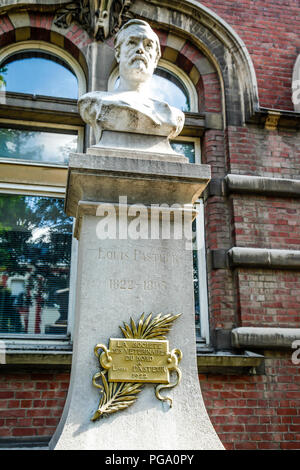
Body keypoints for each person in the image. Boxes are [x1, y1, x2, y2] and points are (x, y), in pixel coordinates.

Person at [78, 19, 184, 146]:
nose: (140, 49)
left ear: (156, 59)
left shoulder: (172, 115)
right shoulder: (93, 103)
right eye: (132, 43)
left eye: (148, 45)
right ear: (118, 54)